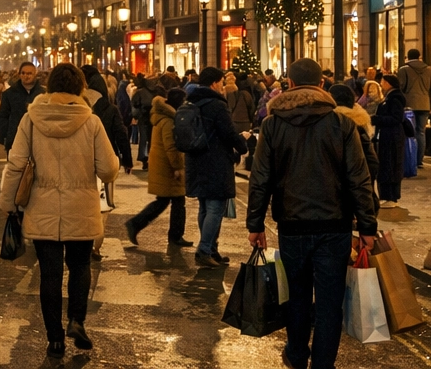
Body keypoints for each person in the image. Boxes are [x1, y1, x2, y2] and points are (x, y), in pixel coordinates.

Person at [246, 58, 376, 369]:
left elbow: (260, 177)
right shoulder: (342, 124)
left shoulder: (273, 124)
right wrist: (368, 226)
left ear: (288, 84)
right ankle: (323, 363)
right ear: (322, 84)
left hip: (292, 226)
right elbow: (359, 178)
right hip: (336, 226)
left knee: (296, 297)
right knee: (330, 303)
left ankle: (296, 354)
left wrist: (256, 223)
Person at [0, 64, 118, 358]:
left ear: (49, 86)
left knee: (49, 275)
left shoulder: (31, 119)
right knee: (80, 267)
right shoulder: (91, 122)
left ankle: (54, 339)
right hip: (82, 207)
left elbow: (16, 164)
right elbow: (108, 169)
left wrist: (8, 203)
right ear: (80, 87)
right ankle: (76, 320)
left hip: (42, 207)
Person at [183, 66, 248, 265]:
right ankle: (204, 250)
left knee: (204, 206)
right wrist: (243, 143)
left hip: (196, 160)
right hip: (215, 161)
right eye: (221, 82)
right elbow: (228, 133)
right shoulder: (217, 105)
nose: (222, 86)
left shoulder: (190, 102)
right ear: (214, 83)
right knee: (215, 207)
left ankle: (211, 249)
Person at [123, 87, 187, 249]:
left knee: (166, 201)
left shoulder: (163, 117)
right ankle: (172, 235)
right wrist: (178, 166)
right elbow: (171, 147)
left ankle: (139, 225)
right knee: (174, 201)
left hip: (162, 166)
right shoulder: (168, 120)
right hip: (167, 168)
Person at [329, 84, 378, 214]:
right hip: (361, 194)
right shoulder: (361, 121)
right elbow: (372, 162)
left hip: (339, 199)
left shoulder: (335, 124)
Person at [82, 67, 130, 172]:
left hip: (81, 161)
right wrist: (127, 160)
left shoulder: (75, 107)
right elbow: (121, 134)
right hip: (107, 158)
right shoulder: (110, 109)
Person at [373, 74, 410, 209]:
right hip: (388, 135)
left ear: (389, 83)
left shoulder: (394, 98)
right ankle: (387, 195)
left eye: (383, 81)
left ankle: (390, 196)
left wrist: (377, 119)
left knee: (390, 163)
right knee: (387, 163)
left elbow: (396, 118)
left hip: (392, 136)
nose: (381, 83)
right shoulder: (390, 97)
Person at [398, 48, 431, 169]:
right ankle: (419, 160)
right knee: (421, 132)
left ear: (407, 56)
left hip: (409, 104)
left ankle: (410, 158)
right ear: (419, 56)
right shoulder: (429, 70)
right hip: (424, 104)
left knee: (409, 131)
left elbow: (400, 86)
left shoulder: (404, 70)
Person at [0, 62, 42, 150]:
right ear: (19, 74)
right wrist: (5, 135)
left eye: (29, 73)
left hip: (38, 140)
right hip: (15, 138)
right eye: (23, 73)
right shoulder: (9, 94)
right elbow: (2, 116)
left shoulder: (43, 94)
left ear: (35, 74)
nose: (26, 76)